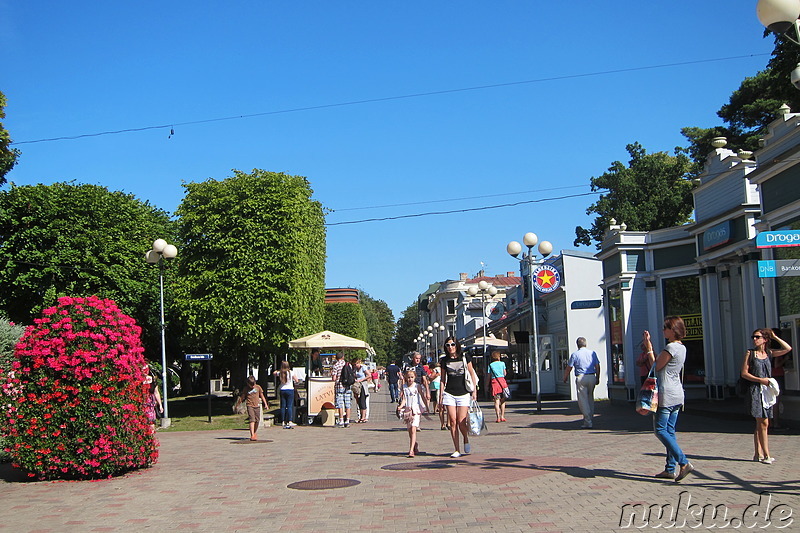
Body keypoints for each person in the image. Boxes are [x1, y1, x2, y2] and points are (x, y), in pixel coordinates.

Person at [641, 316, 693, 482]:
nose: (663, 330)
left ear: (674, 330)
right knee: (670, 431)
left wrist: (649, 348)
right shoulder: (682, 348)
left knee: (661, 430)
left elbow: (656, 366)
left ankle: (683, 462)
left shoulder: (671, 347)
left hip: (666, 394)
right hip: (677, 393)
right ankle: (670, 469)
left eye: (666, 327)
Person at [741, 328, 792, 464]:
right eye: (753, 337)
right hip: (756, 390)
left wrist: (774, 337)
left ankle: (758, 453)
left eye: (757, 337)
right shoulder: (750, 354)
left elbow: (788, 348)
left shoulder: (769, 353)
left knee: (761, 423)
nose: (754, 339)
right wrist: (759, 380)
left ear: (765, 339)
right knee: (764, 422)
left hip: (767, 391)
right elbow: (744, 373)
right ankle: (767, 455)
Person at [438, 337, 478, 458]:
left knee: (461, 421)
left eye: (452, 344)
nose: (450, 347)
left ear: (457, 345)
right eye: (448, 345)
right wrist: (441, 394)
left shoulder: (465, 357)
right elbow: (443, 379)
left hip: (464, 392)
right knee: (453, 421)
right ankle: (456, 449)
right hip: (449, 393)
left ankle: (465, 438)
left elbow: (472, 373)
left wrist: (474, 391)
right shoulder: (444, 360)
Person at [562, 337, 600, 429]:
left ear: (577, 345)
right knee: (590, 397)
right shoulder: (592, 353)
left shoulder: (575, 354)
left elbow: (569, 367)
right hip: (591, 376)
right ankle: (590, 417)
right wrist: (597, 377)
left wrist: (565, 376)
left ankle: (587, 420)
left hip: (581, 377)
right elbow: (597, 366)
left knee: (583, 399)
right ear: (585, 344)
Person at [397, 369, 427, 457]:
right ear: (406, 377)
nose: (410, 379)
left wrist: (426, 406)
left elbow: (422, 396)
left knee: (414, 429)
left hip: (416, 410)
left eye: (412, 377)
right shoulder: (404, 387)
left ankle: (411, 450)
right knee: (409, 430)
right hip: (408, 410)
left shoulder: (417, 386)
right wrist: (401, 406)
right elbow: (404, 399)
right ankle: (415, 445)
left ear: (415, 377)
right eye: (409, 377)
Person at [240, 375, 268, 441]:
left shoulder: (258, 387)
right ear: (247, 383)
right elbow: (242, 397)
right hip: (250, 405)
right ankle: (252, 434)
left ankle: (254, 432)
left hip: (257, 405)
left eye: (253, 384)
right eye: (251, 385)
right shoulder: (246, 389)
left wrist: (265, 404)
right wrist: (238, 404)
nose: (252, 386)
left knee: (257, 420)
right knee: (252, 419)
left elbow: (262, 396)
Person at [274, 361, 298, 429]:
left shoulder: (280, 373)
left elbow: (274, 373)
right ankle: (290, 421)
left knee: (283, 406)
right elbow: (297, 380)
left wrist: (279, 370)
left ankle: (283, 421)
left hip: (282, 390)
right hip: (290, 390)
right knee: (289, 406)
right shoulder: (291, 372)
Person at [330, 353, 352, 428]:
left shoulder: (335, 366)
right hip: (347, 386)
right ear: (343, 357)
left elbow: (334, 378)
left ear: (336, 358)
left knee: (340, 404)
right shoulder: (348, 364)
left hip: (339, 386)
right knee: (348, 404)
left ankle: (341, 420)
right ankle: (347, 420)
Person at [488, 351, 508, 423]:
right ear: (498, 357)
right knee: (503, 401)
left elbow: (488, 376)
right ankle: (502, 416)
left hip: (495, 383)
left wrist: (487, 385)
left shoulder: (490, 365)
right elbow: (504, 373)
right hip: (502, 383)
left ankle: (498, 417)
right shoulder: (502, 363)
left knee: (496, 402)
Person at [353, 358, 370, 423]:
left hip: (362, 385)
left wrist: (361, 380)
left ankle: (363, 417)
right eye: (355, 364)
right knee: (358, 401)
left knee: (363, 401)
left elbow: (369, 375)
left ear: (359, 363)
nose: (356, 365)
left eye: (356, 364)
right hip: (357, 386)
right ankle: (360, 417)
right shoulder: (355, 369)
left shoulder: (363, 367)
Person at [429, 362, 446, 429]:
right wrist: (437, 375)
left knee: (439, 403)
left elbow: (431, 377)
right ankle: (444, 424)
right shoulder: (437, 369)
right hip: (439, 386)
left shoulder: (438, 369)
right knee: (440, 404)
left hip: (442, 386)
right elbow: (431, 377)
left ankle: (445, 423)